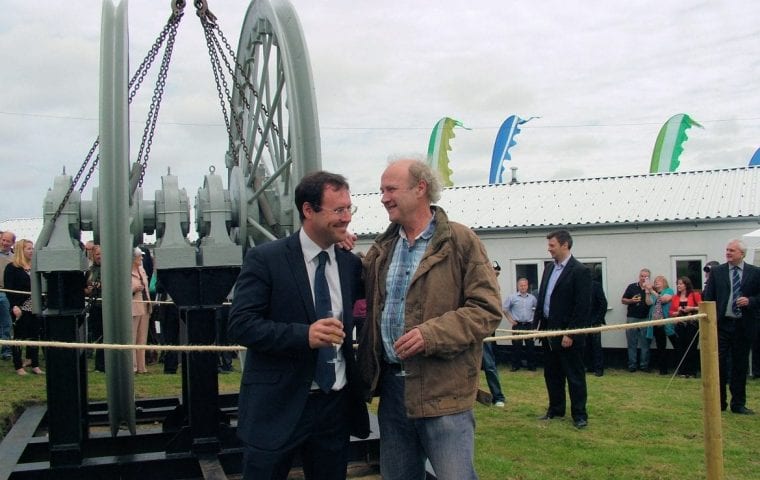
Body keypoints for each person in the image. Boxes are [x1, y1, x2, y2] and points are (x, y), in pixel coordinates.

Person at [357, 158, 501, 480]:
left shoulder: (461, 241)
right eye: (381, 190)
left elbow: (486, 309)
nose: (383, 198)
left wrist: (431, 335)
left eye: (390, 189)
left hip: (444, 392)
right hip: (393, 393)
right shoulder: (382, 249)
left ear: (420, 188)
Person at [228, 171, 369, 479]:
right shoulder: (266, 259)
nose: (346, 218)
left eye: (349, 208)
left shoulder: (349, 264)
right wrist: (304, 335)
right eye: (338, 210)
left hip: (333, 406)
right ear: (308, 210)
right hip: (276, 406)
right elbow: (241, 324)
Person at [534, 230, 591, 429]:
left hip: (568, 333)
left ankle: (579, 415)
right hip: (549, 330)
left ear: (565, 245)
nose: (549, 249)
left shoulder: (580, 271)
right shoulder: (549, 268)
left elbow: (582, 306)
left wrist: (570, 333)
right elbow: (543, 299)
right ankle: (556, 409)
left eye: (552, 245)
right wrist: (538, 326)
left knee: (574, 375)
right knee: (552, 373)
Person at [703, 239, 760, 414]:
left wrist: (750, 301)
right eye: (727, 250)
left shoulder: (754, 272)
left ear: (742, 254)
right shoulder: (717, 272)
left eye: (732, 250)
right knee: (718, 364)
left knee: (739, 365)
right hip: (722, 325)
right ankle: (719, 402)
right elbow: (708, 297)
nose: (728, 253)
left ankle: (738, 404)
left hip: (743, 325)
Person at [4, 239, 44, 375]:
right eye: (28, 248)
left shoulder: (35, 267)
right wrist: (14, 306)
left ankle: (34, 364)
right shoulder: (12, 268)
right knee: (19, 337)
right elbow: (9, 288)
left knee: (34, 336)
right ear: (21, 250)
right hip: (21, 307)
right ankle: (18, 366)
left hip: (36, 306)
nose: (31, 251)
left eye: (32, 248)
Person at [482, 261, 506, 407]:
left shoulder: (494, 288)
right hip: (470, 329)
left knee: (489, 365)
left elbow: (495, 311)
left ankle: (498, 397)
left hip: (484, 330)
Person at [670, 276, 702, 378]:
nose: (678, 286)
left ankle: (692, 371)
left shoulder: (694, 295)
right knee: (680, 347)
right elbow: (671, 312)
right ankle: (682, 371)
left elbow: (702, 306)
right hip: (680, 324)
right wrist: (677, 311)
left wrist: (690, 308)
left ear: (686, 284)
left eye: (681, 284)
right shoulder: (675, 297)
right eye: (678, 284)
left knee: (691, 347)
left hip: (691, 324)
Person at [504, 277, 538, 372]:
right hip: (517, 325)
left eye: (525, 285)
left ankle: (531, 365)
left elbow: (537, 309)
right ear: (518, 286)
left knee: (530, 346)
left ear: (527, 286)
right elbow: (504, 309)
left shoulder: (532, 298)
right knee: (516, 346)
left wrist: (534, 321)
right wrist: (510, 320)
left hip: (529, 325)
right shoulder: (512, 297)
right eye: (521, 285)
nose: (523, 287)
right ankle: (515, 365)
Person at [645, 275, 677, 375]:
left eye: (659, 281)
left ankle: (682, 367)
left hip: (666, 321)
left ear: (664, 282)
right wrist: (647, 292)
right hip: (656, 322)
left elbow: (663, 300)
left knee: (676, 343)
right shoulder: (655, 293)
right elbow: (649, 303)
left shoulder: (669, 291)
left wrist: (652, 291)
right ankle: (663, 370)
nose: (656, 283)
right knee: (660, 346)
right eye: (655, 281)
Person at [622, 268, 652, 372]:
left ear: (649, 278)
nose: (644, 278)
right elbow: (623, 300)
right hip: (632, 317)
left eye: (646, 276)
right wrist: (631, 300)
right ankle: (632, 366)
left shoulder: (651, 288)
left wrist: (649, 290)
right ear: (639, 276)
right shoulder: (632, 287)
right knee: (632, 343)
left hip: (646, 318)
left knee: (645, 343)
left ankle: (644, 366)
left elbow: (655, 301)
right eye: (642, 276)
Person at [131, 247, 152, 374]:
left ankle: (141, 367)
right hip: (133, 307)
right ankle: (132, 367)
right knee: (132, 337)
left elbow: (146, 288)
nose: (142, 258)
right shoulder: (125, 271)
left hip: (145, 305)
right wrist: (133, 289)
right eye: (140, 256)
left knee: (142, 338)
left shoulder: (141, 269)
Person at [84, 244, 105, 372]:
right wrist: (89, 290)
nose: (100, 257)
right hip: (95, 306)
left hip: (107, 306)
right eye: (98, 254)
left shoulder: (111, 269)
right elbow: (84, 288)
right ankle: (99, 365)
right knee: (98, 336)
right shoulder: (90, 271)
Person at [585, 266, 607, 377]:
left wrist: (597, 319)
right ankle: (590, 366)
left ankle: (599, 369)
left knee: (596, 345)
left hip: (594, 322)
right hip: (583, 322)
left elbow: (603, 304)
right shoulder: (580, 286)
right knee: (586, 345)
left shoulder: (596, 286)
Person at [0, 230, 15, 361]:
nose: (4, 243)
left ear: (12, 243)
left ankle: (6, 350)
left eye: (7, 241)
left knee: (6, 323)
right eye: (3, 239)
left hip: (5, 293)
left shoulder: (14, 258)